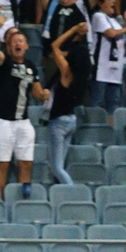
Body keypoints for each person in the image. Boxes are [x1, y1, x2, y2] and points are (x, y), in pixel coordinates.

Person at [0, 28, 48, 196]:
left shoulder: (31, 67)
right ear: (8, 47)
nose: (17, 44)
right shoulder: (4, 63)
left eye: (21, 41)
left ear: (27, 46)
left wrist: (44, 95)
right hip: (3, 121)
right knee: (3, 164)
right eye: (14, 42)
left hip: (23, 121)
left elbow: (37, 93)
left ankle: (22, 202)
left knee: (26, 163)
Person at [47, 22, 90, 184]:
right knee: (60, 166)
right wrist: (80, 36)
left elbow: (55, 46)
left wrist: (72, 29)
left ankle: (73, 194)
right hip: (71, 120)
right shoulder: (82, 76)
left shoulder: (67, 72)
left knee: (56, 168)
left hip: (58, 122)